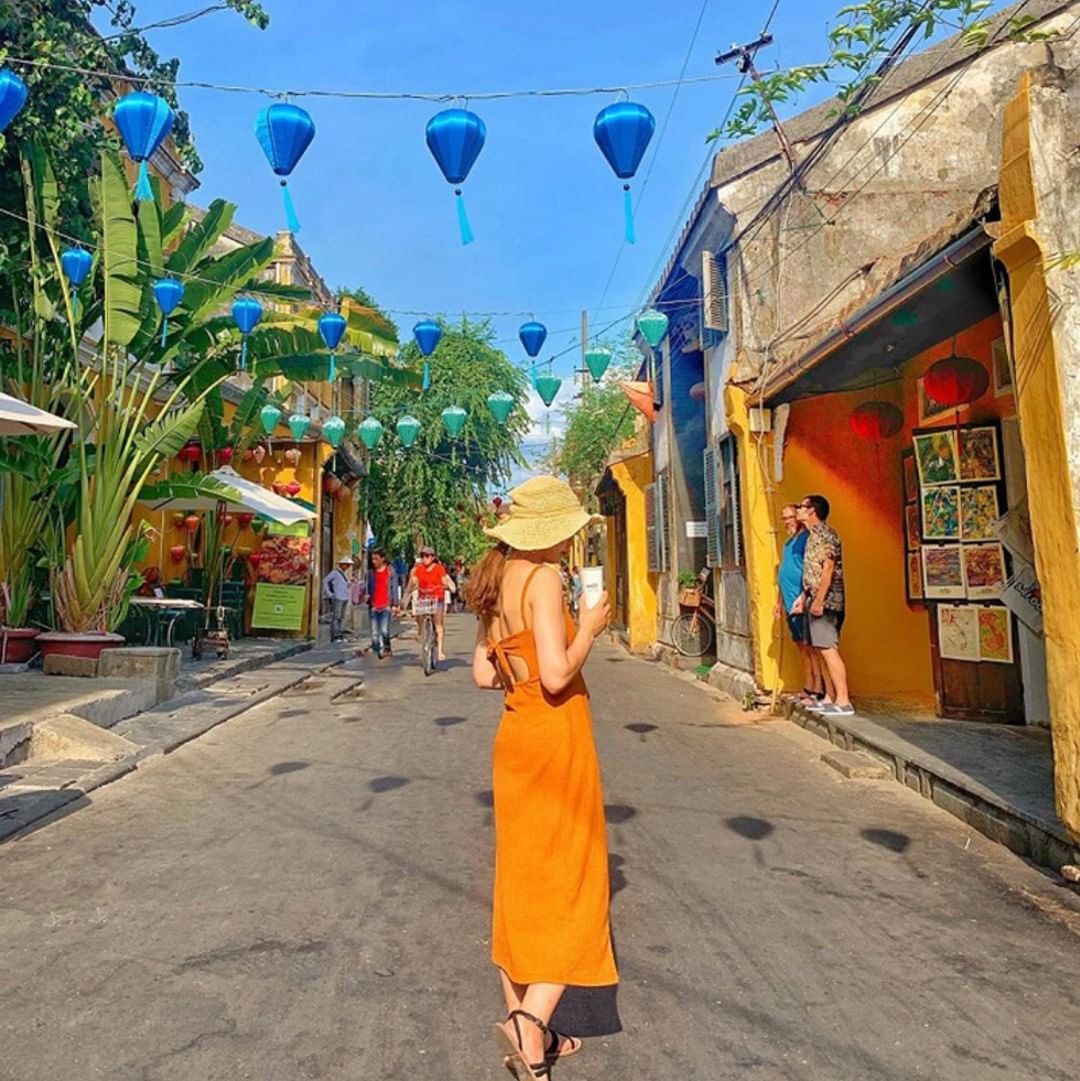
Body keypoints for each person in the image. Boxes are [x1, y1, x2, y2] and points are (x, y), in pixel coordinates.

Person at [468, 476, 616, 1079]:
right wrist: (590, 628)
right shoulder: (546, 580)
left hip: (515, 738)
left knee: (521, 882)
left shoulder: (494, 581)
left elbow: (484, 675)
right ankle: (532, 1021)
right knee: (577, 882)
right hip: (555, 737)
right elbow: (557, 675)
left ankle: (526, 1031)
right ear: (551, 533)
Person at [795, 494, 853, 716]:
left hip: (827, 600)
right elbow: (813, 572)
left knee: (828, 649)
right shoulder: (811, 536)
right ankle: (829, 696)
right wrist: (805, 597)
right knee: (819, 649)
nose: (798, 510)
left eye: (801, 506)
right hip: (813, 597)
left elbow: (828, 569)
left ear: (812, 510)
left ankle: (843, 700)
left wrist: (819, 600)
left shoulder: (826, 535)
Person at [775, 504, 826, 707]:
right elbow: (783, 574)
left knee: (811, 646)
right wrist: (779, 603)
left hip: (801, 601)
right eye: (784, 518)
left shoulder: (806, 539)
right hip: (789, 602)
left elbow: (811, 570)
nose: (787, 522)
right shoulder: (788, 543)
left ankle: (818, 686)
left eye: (790, 517)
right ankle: (809, 684)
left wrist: (804, 597)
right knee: (801, 646)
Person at [403, 546, 455, 661]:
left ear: (432, 557)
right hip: (424, 599)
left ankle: (440, 651)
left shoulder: (439, 568)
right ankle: (421, 632)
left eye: (427, 556)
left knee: (438, 624)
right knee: (418, 615)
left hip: (437, 598)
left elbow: (444, 581)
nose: (424, 558)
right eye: (422, 556)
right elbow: (413, 581)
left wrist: (445, 585)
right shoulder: (419, 569)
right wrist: (407, 592)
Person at [365, 547, 399, 659]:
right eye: (372, 559)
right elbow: (367, 587)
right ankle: (377, 651)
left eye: (376, 559)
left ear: (383, 558)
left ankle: (387, 648)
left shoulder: (390, 571)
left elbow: (394, 588)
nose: (374, 561)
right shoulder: (370, 573)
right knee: (374, 634)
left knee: (384, 631)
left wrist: (395, 604)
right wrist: (366, 595)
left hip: (386, 605)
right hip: (374, 606)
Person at [322, 556, 352, 642]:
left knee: (341, 617)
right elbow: (325, 581)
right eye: (346, 565)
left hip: (345, 597)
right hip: (338, 597)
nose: (347, 567)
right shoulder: (335, 572)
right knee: (336, 617)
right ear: (341, 564)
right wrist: (329, 594)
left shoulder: (344, 574)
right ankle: (335, 636)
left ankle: (340, 634)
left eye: (348, 565)